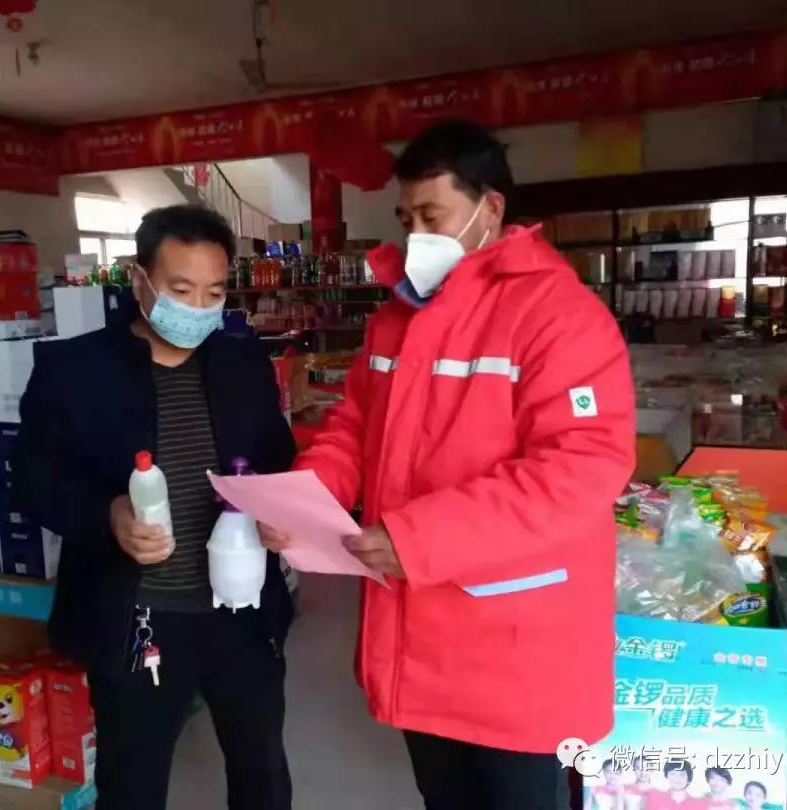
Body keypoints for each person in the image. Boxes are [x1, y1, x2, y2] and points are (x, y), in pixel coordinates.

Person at [261, 119, 636, 809]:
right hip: (417, 636)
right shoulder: (397, 318)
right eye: (406, 220)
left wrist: (418, 538)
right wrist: (306, 498)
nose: (416, 236)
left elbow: (580, 468)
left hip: (515, 646)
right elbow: (354, 427)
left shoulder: (558, 316)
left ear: (490, 208)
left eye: (432, 217)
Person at [14, 204, 295, 810]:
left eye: (214, 292)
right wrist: (107, 515)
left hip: (242, 610)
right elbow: (33, 481)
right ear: (138, 279)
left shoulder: (242, 362)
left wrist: (280, 509)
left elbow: (277, 457)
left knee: (263, 773)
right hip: (139, 618)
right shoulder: (74, 370)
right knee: (132, 785)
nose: (198, 308)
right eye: (181, 289)